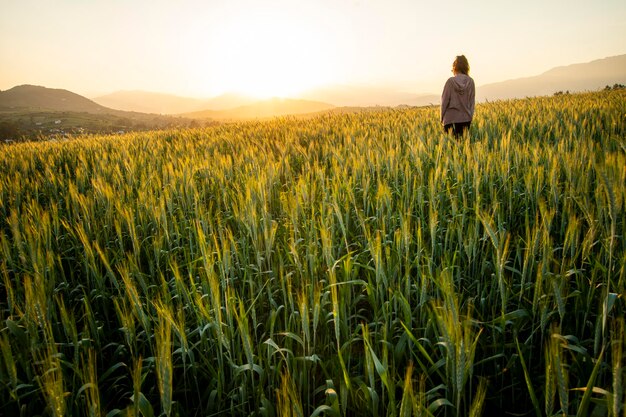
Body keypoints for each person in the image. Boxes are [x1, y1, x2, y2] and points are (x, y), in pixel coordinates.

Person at [441, 55, 475, 138]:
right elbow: (472, 102)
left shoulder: (450, 81)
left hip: (450, 120)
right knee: (463, 148)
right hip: (465, 120)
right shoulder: (470, 81)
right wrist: (470, 117)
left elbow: (444, 102)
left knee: (451, 148)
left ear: (455, 67)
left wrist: (441, 118)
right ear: (466, 67)